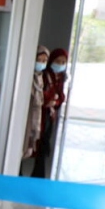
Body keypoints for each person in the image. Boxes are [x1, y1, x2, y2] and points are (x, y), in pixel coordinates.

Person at [32, 47, 69, 179]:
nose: (60, 65)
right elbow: (44, 97)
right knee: (33, 143)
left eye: (63, 62)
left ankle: (38, 175)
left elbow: (61, 97)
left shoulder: (60, 78)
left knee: (43, 146)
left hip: (49, 116)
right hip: (38, 115)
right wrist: (53, 100)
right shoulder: (45, 75)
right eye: (57, 61)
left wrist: (56, 101)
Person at [20, 46, 49, 175]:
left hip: (34, 117)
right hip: (24, 117)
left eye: (44, 61)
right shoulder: (26, 77)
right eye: (39, 59)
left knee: (27, 146)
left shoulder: (40, 77)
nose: (41, 63)